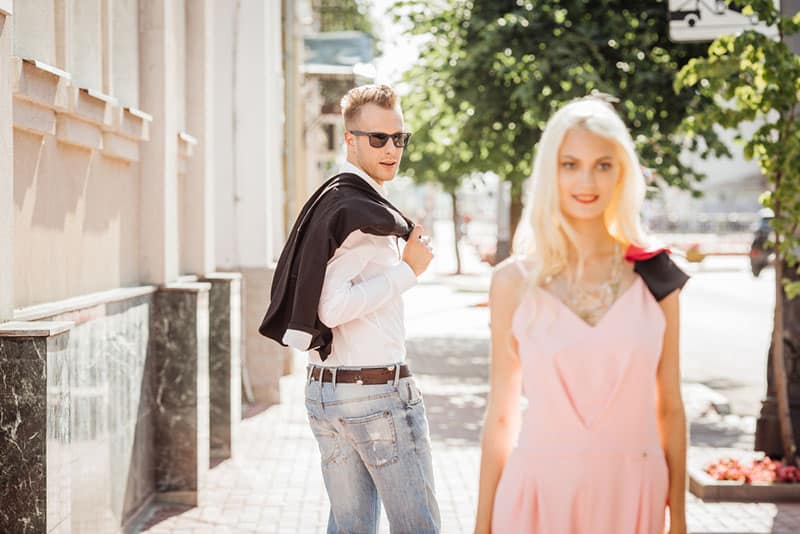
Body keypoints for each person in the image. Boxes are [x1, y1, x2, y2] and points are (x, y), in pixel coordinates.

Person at [474, 95, 689, 534]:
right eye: (570, 164)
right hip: (537, 496)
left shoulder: (656, 276)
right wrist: (481, 526)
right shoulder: (512, 283)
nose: (586, 180)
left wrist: (680, 518)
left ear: (622, 172)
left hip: (635, 493)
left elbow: (670, 405)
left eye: (603, 164)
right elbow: (501, 411)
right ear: (550, 172)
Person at [259, 84, 441, 534]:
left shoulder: (335, 197)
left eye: (399, 138)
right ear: (351, 140)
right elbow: (331, 306)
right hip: (374, 395)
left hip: (328, 393)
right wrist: (408, 272)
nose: (391, 149)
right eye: (377, 138)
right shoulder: (359, 212)